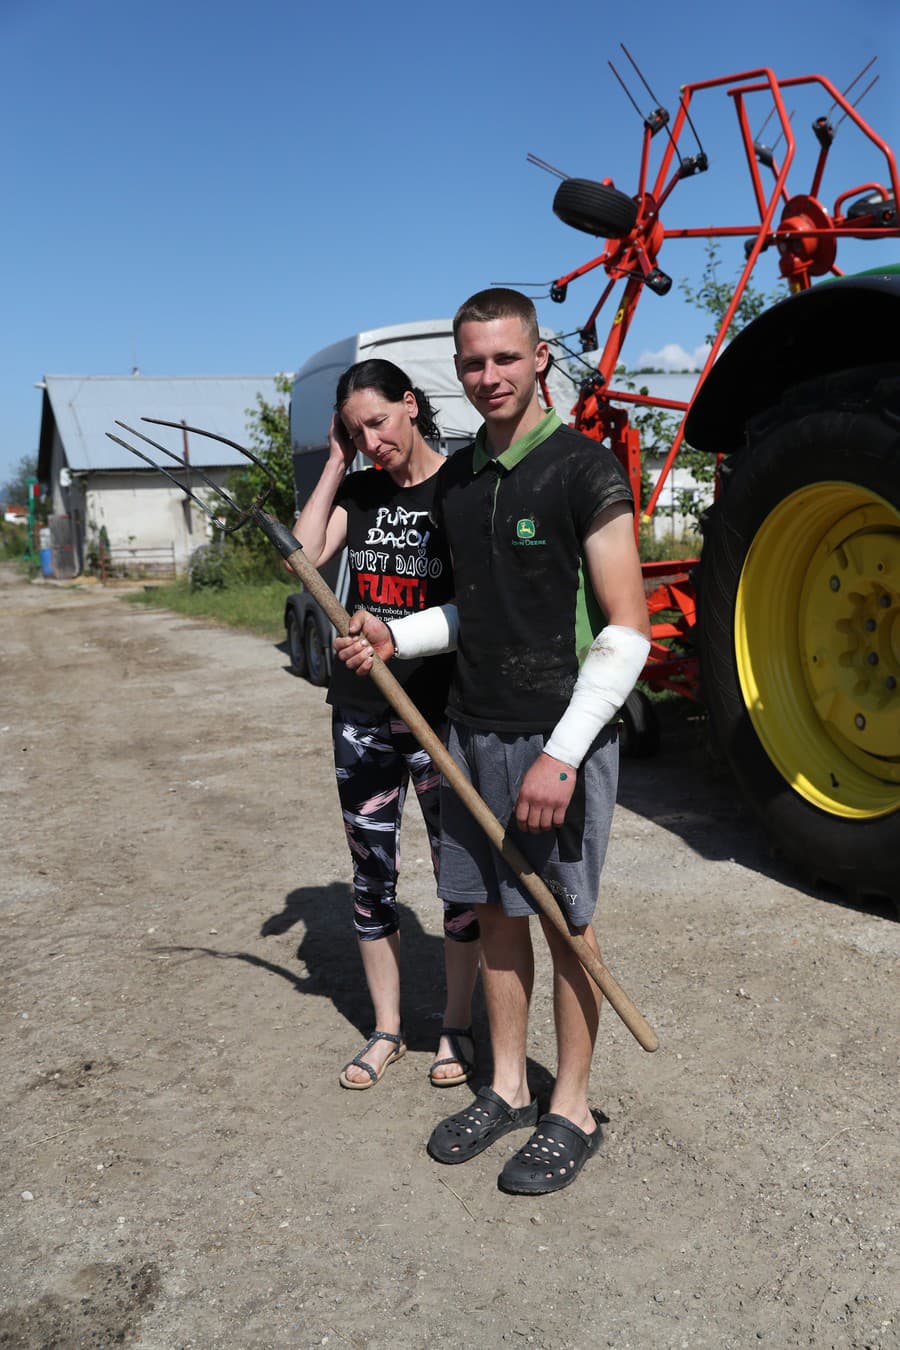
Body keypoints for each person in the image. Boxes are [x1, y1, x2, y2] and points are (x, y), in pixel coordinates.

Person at [335, 289, 651, 1191]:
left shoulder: (585, 471)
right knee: (498, 920)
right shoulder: (466, 481)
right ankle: (509, 1086)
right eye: (473, 363)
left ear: (540, 356)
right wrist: (403, 635)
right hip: (470, 733)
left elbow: (628, 630)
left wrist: (563, 752)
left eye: (505, 359)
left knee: (565, 926)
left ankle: (573, 1108)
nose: (489, 377)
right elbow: (479, 609)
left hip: (559, 740)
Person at [292, 359, 480, 1091]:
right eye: (355, 429)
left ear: (411, 405)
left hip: (436, 708)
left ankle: (457, 1028)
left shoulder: (458, 486)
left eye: (378, 423)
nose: (372, 440)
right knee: (371, 875)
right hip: (362, 711)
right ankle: (388, 1030)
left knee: (456, 877)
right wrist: (336, 464)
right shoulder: (360, 486)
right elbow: (304, 561)